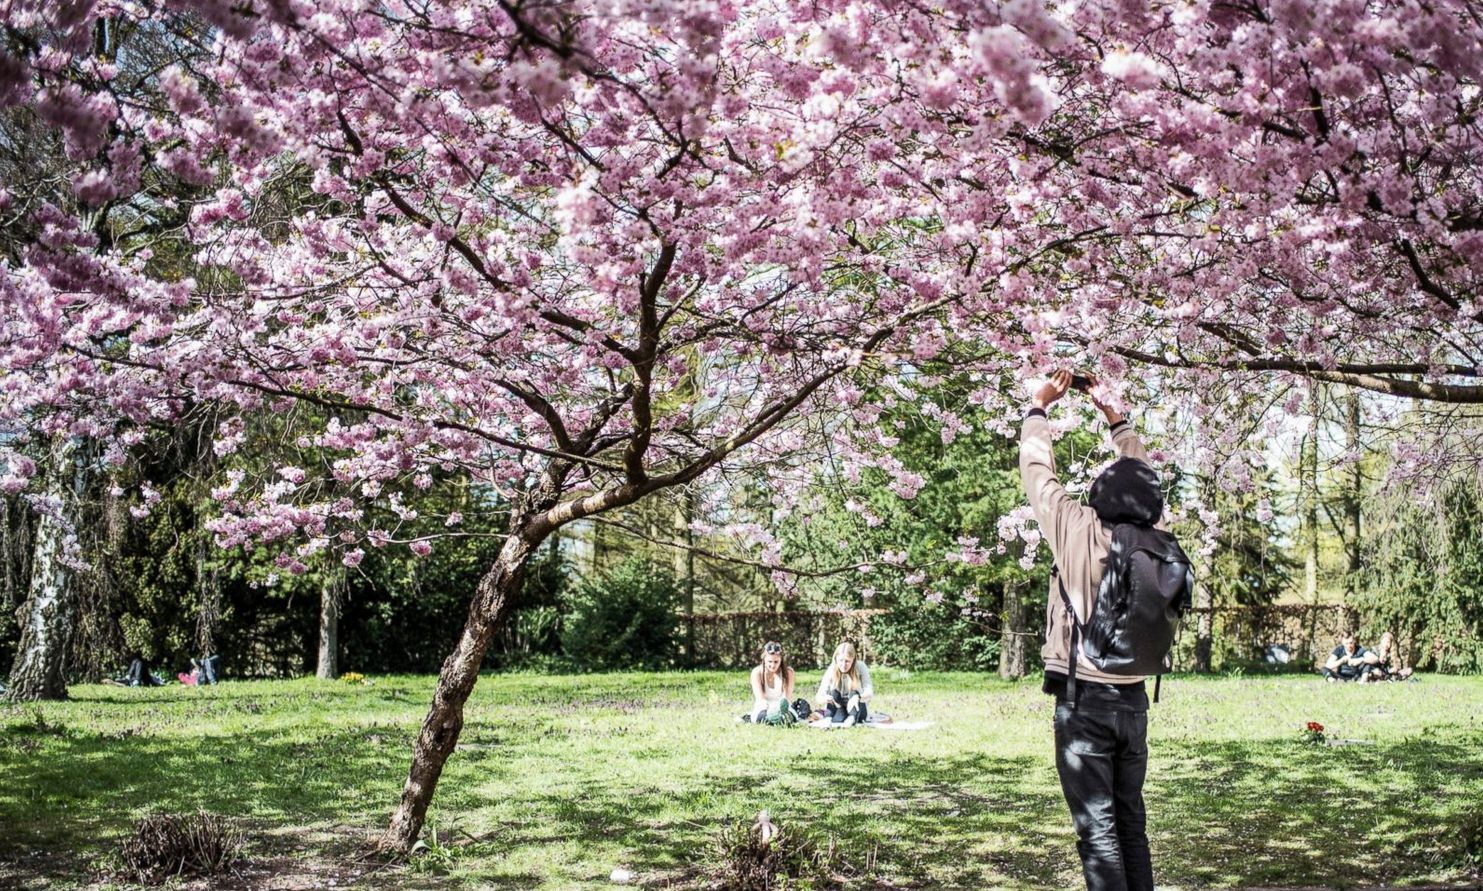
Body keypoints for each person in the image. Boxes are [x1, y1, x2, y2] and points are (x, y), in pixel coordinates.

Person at [1021, 369, 1157, 891]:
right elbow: (1142, 473)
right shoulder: (1156, 538)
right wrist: (1116, 419)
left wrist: (1039, 406)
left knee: (1098, 833)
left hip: (1085, 702)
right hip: (1135, 700)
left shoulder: (1076, 529)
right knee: (1130, 825)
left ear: (1099, 496)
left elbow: (1038, 471)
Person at [815, 641, 874, 727]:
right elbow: (819, 697)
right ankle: (828, 719)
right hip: (839, 706)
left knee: (854, 693)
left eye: (847, 661)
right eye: (841, 660)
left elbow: (869, 693)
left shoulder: (861, 667)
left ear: (853, 660)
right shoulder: (832, 669)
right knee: (834, 693)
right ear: (836, 659)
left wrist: (859, 697)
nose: (843, 665)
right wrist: (826, 698)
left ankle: (852, 718)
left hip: (856, 706)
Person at [746, 641, 797, 724]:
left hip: (781, 708)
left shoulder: (788, 673)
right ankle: (775, 719)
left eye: (776, 662)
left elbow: (787, 698)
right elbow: (761, 699)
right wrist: (771, 711)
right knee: (765, 718)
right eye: (770, 661)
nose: (773, 665)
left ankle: (782, 719)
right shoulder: (757, 673)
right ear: (764, 660)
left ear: (781, 660)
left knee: (788, 717)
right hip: (764, 707)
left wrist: (779, 709)